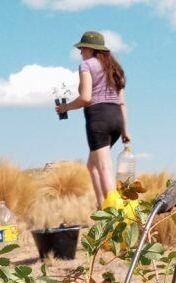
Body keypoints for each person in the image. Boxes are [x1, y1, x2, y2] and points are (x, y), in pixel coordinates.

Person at [55, 31, 131, 207]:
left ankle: (115, 213)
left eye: (82, 48)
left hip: (98, 118)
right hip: (116, 120)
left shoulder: (86, 66)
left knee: (104, 167)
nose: (80, 52)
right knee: (92, 165)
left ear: (90, 49)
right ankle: (101, 206)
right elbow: (122, 103)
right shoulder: (115, 69)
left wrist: (65, 107)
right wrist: (126, 130)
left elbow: (86, 97)